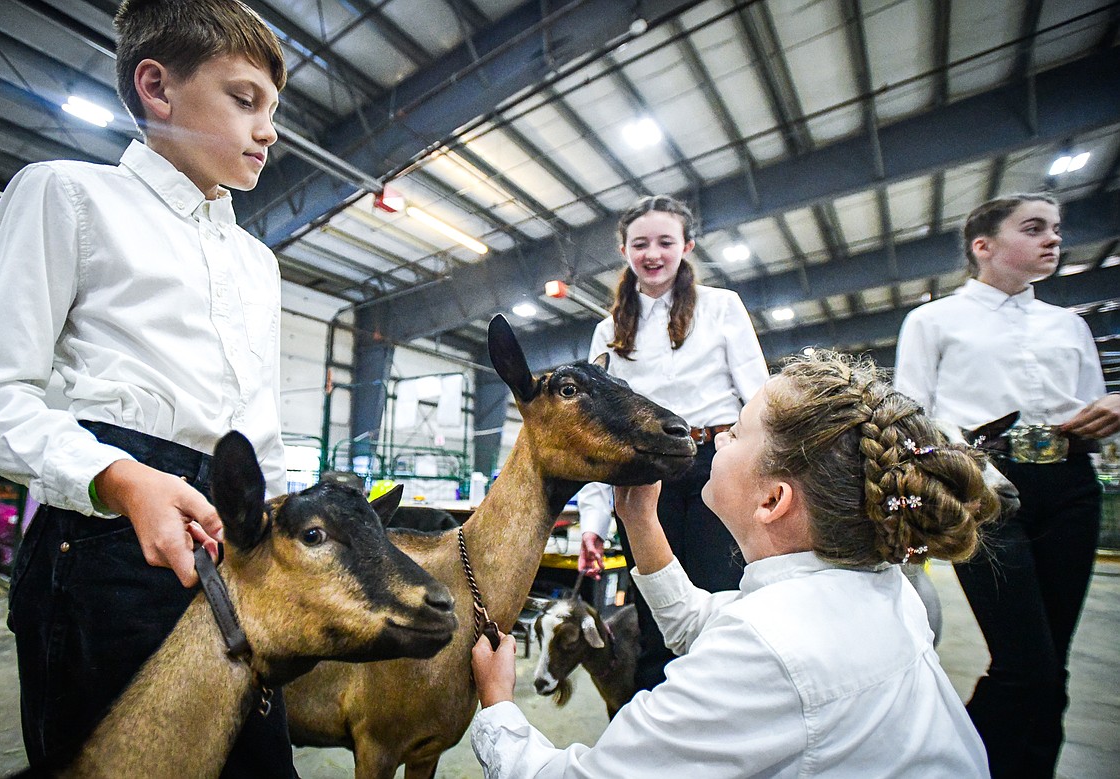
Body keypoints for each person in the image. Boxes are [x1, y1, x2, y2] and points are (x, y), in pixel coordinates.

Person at [0, 1, 293, 774]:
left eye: (272, 109)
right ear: (156, 87)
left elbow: (257, 433)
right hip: (105, 548)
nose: (267, 131)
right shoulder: (69, 196)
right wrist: (118, 477)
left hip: (234, 548)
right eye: (245, 100)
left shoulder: (257, 264)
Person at [470, 351, 996, 778]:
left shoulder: (766, 653)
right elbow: (700, 623)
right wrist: (641, 525)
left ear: (772, 501)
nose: (715, 438)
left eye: (736, 432)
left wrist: (497, 705)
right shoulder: (874, 588)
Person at [894, 193, 1120, 778]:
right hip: (985, 489)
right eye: (1034, 228)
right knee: (1026, 663)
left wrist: (1111, 409)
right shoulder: (933, 321)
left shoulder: (1069, 325)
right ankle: (956, 763)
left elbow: (1094, 404)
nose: (1052, 239)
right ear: (984, 245)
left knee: (1053, 665)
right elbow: (911, 412)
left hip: (1071, 486)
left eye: (1056, 229)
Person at [574, 194, 768, 691]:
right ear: (624, 250)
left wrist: (767, 470)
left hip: (715, 467)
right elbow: (596, 431)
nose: (653, 253)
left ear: (687, 245)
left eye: (665, 241)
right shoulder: (608, 331)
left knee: (721, 598)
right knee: (654, 611)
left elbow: (759, 396)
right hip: (642, 476)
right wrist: (594, 522)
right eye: (640, 244)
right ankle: (657, 722)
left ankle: (725, 708)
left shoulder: (722, 307)